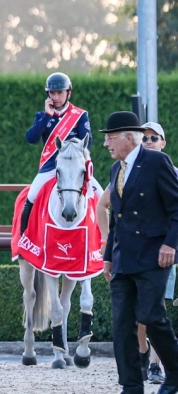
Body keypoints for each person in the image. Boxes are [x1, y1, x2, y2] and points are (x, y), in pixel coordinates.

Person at [101, 111, 178, 394]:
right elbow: (117, 220)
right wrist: (108, 255)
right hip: (123, 258)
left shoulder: (157, 162)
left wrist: (171, 244)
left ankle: (175, 374)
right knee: (122, 325)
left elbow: (176, 207)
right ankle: (131, 386)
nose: (107, 143)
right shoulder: (115, 170)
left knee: (151, 315)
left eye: (110, 138)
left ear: (128, 138)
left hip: (154, 255)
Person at [20, 72, 98, 235]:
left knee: (101, 195)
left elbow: (87, 142)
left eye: (59, 93)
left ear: (68, 93)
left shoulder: (80, 115)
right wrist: (46, 116)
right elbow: (31, 138)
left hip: (74, 167)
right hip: (50, 167)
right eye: (52, 93)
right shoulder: (42, 116)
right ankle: (24, 238)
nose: (55, 97)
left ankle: (105, 239)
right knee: (31, 197)